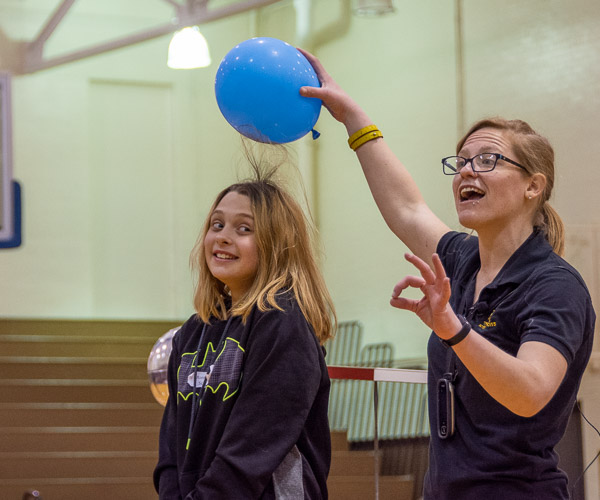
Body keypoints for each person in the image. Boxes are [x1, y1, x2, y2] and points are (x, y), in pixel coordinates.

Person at [299, 50, 595, 499]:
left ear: (533, 185)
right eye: (460, 162)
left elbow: (531, 391)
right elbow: (406, 208)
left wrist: (453, 330)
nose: (466, 172)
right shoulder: (462, 260)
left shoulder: (555, 286)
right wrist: (352, 118)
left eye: (487, 160)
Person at [153, 155, 336, 499]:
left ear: (276, 245)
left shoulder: (283, 323)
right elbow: (170, 451)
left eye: (244, 228)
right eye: (217, 224)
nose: (222, 237)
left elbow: (253, 450)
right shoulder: (191, 333)